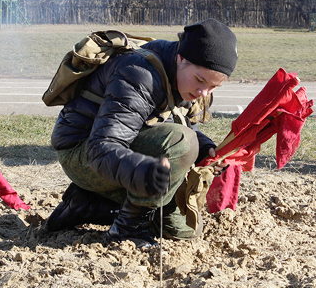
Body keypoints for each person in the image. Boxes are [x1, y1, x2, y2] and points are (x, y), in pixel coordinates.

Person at [45, 19, 237, 247]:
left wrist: (206, 148)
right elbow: (100, 148)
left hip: (123, 156)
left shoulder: (180, 74)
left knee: (183, 230)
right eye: (200, 80)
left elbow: (183, 121)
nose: (203, 92)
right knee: (181, 142)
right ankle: (127, 228)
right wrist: (141, 171)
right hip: (82, 153)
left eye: (214, 87)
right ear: (181, 58)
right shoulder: (140, 74)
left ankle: (89, 205)